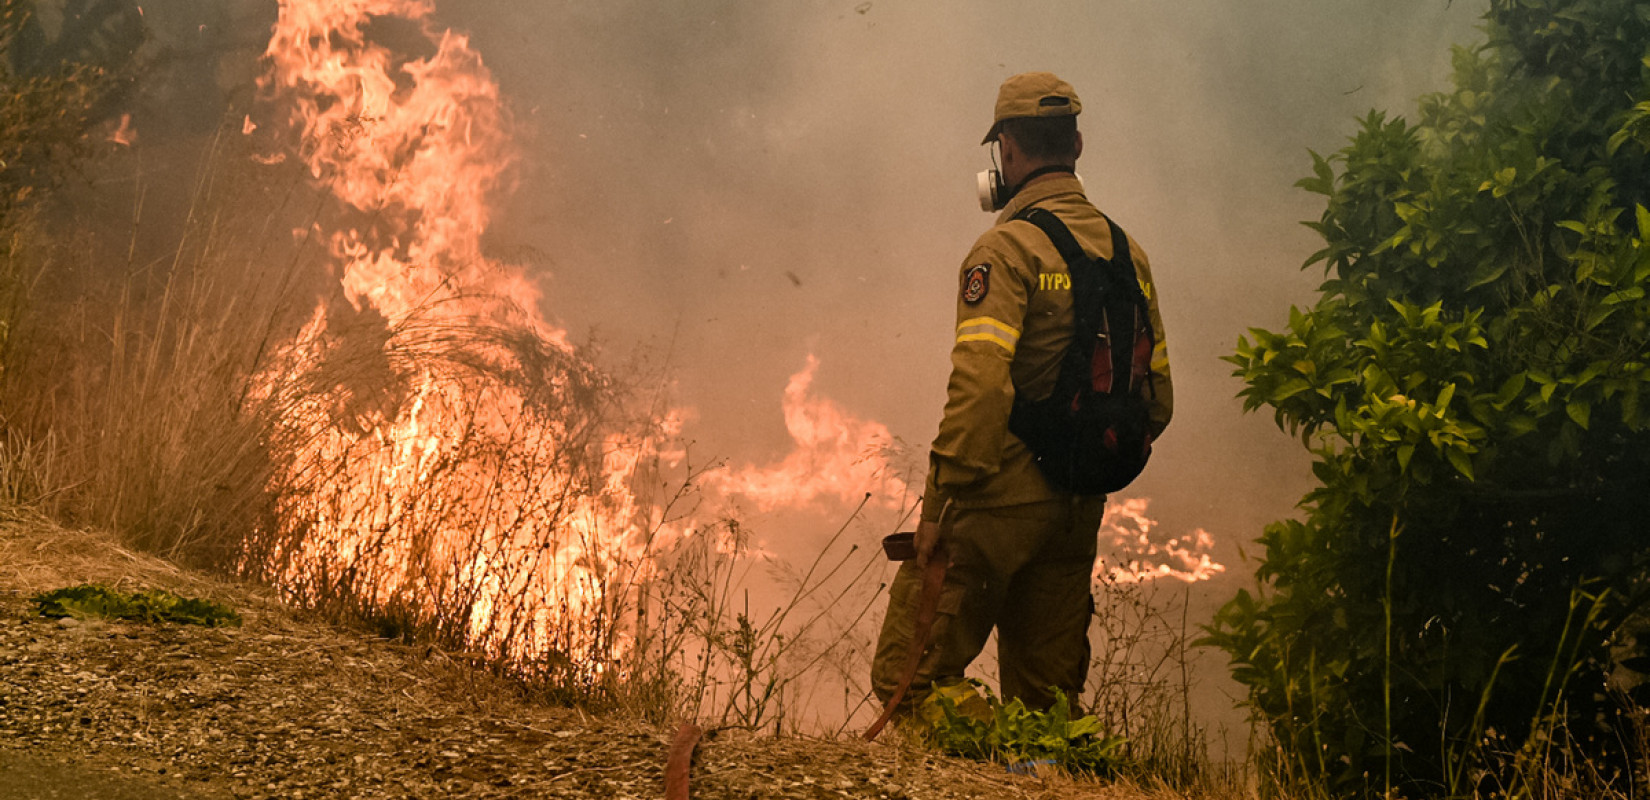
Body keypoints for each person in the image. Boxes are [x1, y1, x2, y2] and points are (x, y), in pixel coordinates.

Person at [870, 71, 1173, 717]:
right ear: (1078, 145)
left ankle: (970, 776)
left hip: (995, 500)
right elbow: (1160, 396)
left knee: (910, 682)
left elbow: (980, 386)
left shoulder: (1005, 250)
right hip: (1078, 505)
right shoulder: (1129, 253)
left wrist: (941, 502)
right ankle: (1042, 783)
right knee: (1047, 708)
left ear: (1006, 150)